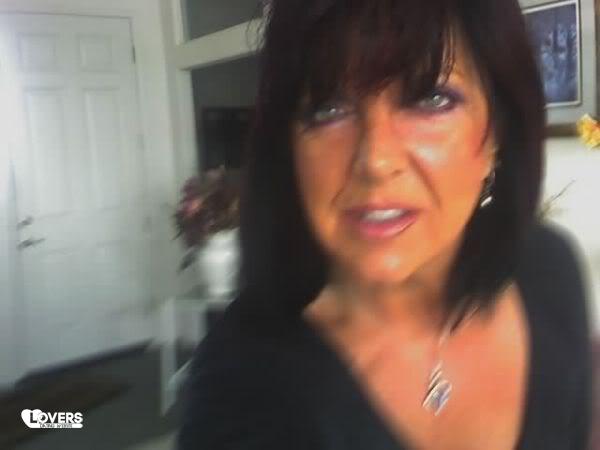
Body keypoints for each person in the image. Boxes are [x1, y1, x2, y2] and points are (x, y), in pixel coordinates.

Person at [178, 0, 592, 448]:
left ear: (497, 133)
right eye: (328, 108)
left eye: (431, 98)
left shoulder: (549, 270)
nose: (375, 160)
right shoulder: (240, 383)